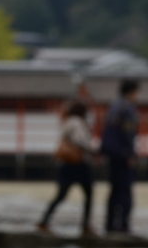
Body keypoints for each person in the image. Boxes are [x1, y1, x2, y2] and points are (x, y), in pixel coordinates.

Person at [36, 101, 97, 237]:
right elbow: (80, 140)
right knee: (89, 194)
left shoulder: (68, 121)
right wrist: (92, 151)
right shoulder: (77, 122)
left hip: (66, 163)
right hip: (78, 163)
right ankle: (86, 225)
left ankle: (44, 221)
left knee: (61, 195)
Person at [100, 79, 140, 233]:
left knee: (114, 189)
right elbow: (128, 133)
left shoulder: (114, 106)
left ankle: (110, 223)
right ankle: (123, 224)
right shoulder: (128, 108)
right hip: (122, 154)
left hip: (111, 153)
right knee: (125, 190)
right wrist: (130, 153)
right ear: (132, 92)